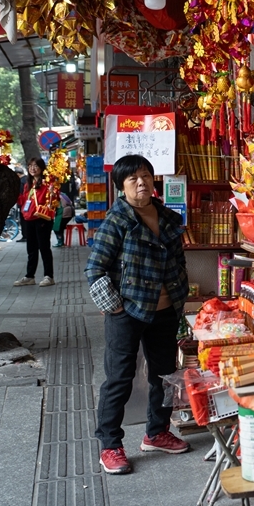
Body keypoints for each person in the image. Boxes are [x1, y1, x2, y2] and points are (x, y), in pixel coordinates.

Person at [85, 154, 191, 475]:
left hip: (164, 313)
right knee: (119, 378)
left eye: (145, 175)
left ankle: (156, 432)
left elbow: (178, 265)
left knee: (164, 374)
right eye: (133, 179)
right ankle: (110, 444)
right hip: (126, 313)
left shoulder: (169, 219)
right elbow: (95, 269)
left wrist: (179, 300)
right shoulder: (118, 222)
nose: (141, 182)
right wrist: (114, 306)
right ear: (122, 187)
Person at [14, 158, 55, 287]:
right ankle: (29, 276)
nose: (32, 168)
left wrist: (52, 191)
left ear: (42, 168)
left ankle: (49, 276)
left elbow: (51, 200)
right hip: (29, 219)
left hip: (41, 218)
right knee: (31, 249)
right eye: (30, 165)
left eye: (36, 166)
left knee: (44, 248)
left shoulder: (47, 183)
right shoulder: (28, 184)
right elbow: (23, 201)